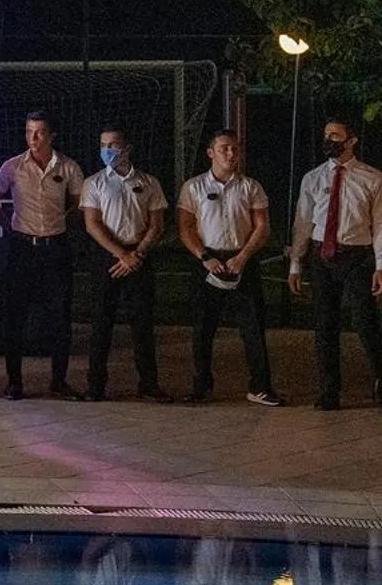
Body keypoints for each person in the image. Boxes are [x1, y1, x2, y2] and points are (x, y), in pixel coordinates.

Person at [178, 129, 280, 406]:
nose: (231, 153)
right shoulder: (193, 187)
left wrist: (242, 257)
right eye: (224, 148)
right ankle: (201, 386)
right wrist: (204, 258)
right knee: (203, 328)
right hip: (207, 260)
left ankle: (260, 386)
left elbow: (261, 227)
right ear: (210, 152)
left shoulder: (251, 187)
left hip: (242, 260)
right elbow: (186, 228)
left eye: (235, 148)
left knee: (253, 327)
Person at [288, 116, 382, 411]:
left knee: (365, 322)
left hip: (357, 256)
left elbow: (380, 224)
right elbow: (303, 222)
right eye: (326, 134)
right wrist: (295, 263)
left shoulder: (372, 178)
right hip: (322, 256)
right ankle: (329, 390)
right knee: (325, 325)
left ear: (351, 141)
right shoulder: (313, 178)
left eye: (336, 135)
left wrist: (381, 265)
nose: (329, 140)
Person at [0, 111, 83, 401]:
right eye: (29, 131)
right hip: (22, 247)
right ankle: (14, 381)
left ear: (52, 135)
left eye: (40, 132)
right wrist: (8, 225)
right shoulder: (12, 166)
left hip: (56, 246)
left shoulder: (68, 167)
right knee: (15, 314)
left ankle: (58, 380)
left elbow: (79, 203)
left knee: (60, 315)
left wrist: (61, 222)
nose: (33, 138)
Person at [79, 124, 172, 403]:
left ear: (127, 148)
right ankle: (95, 386)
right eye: (103, 145)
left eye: (113, 145)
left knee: (142, 323)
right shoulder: (93, 183)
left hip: (140, 257)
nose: (107, 150)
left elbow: (156, 225)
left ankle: (149, 384)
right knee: (101, 323)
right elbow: (92, 225)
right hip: (108, 257)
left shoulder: (149, 182)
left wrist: (137, 254)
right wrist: (121, 254)